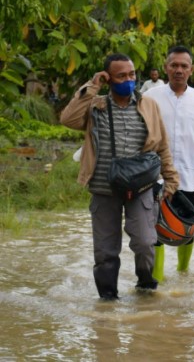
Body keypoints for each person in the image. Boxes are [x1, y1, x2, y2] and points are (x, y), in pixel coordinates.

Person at [60, 53, 179, 300]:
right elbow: (68, 119)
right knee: (105, 250)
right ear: (109, 79)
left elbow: (162, 146)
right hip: (104, 188)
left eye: (132, 74)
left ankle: (145, 289)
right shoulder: (96, 105)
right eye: (121, 76)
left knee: (146, 241)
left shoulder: (149, 105)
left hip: (142, 187)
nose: (128, 79)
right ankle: (107, 301)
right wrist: (93, 86)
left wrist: (170, 180)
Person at [144, 45, 194, 281]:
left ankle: (183, 274)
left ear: (191, 70)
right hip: (154, 176)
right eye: (174, 65)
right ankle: (157, 280)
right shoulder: (150, 97)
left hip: (188, 176)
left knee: (187, 227)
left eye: (183, 66)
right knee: (154, 229)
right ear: (166, 68)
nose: (178, 70)